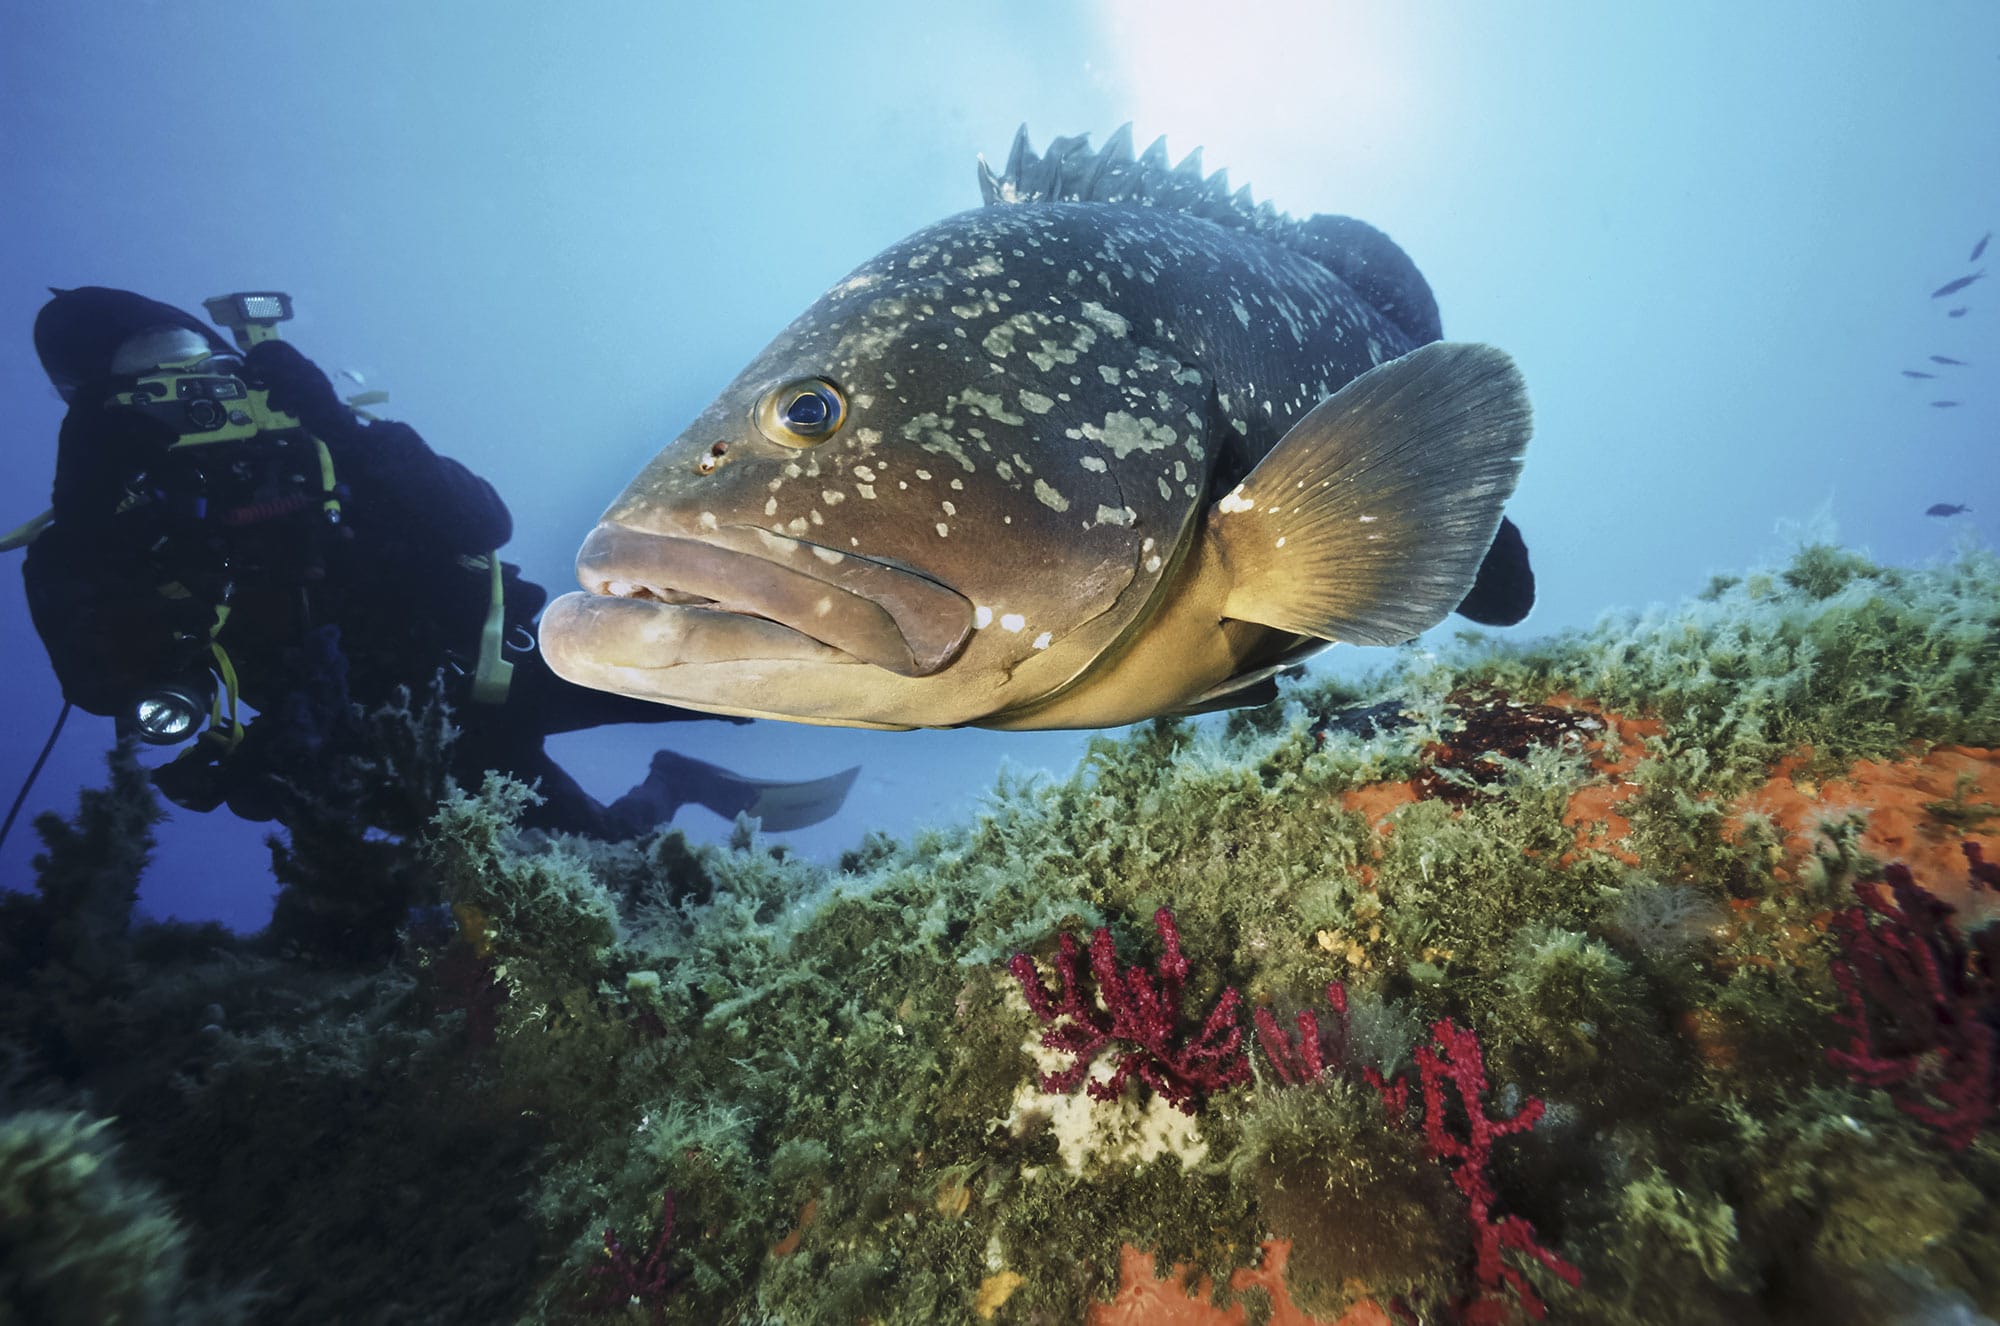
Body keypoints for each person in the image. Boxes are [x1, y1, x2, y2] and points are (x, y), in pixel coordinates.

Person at [13, 287, 856, 841]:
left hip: (513, 655)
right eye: (144, 386)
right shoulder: (101, 527)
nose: (183, 394)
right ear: (95, 414)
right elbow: (101, 687)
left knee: (758, 674)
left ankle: (928, 680)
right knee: (607, 867)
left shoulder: (324, 444)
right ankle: (673, 785)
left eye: (194, 366)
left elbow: (481, 521)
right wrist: (88, 512)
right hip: (397, 745)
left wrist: (337, 422)